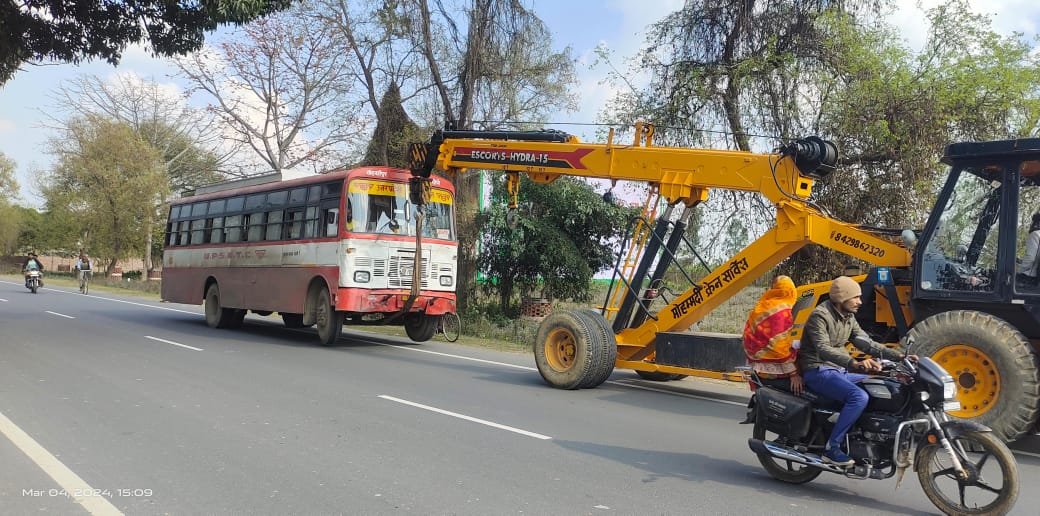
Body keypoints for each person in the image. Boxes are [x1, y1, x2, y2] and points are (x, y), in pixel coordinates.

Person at [797, 276, 914, 467]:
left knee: (880, 385)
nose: (860, 301)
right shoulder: (820, 316)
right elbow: (823, 349)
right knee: (858, 397)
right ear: (842, 298)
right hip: (818, 370)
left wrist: (899, 357)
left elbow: (866, 343)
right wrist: (854, 363)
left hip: (839, 370)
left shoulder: (848, 317)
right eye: (856, 297)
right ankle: (832, 448)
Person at [743, 275, 802, 394]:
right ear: (790, 292)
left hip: (755, 363)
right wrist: (793, 374)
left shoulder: (761, 306)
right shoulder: (783, 312)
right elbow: (779, 346)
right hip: (774, 369)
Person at [1017, 212, 1040, 286]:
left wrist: (1019, 271)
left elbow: (1031, 257)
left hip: (1030, 278)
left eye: (1033, 221)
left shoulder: (1035, 234)